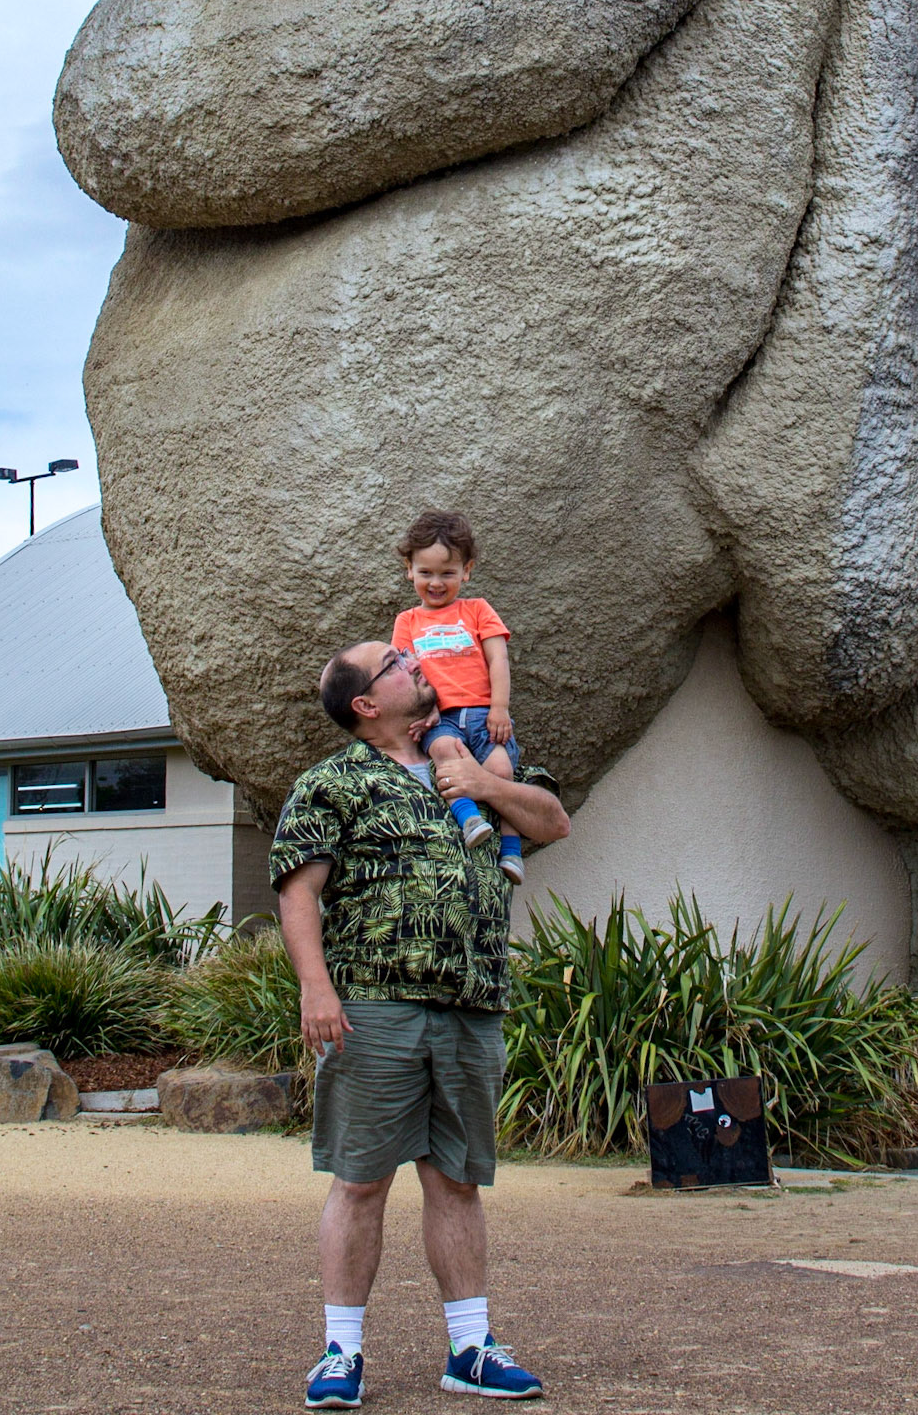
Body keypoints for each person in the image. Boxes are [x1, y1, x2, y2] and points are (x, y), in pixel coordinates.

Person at [271, 635, 571, 1408]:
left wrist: (477, 781)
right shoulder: (334, 782)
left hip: (472, 1006)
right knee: (361, 1180)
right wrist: (316, 989)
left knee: (457, 1180)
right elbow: (297, 893)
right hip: (375, 1005)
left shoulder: (470, 758)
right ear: (367, 704)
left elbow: (552, 822)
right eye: (394, 664)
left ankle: (470, 1347)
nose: (413, 663)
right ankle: (341, 1353)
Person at [392, 509, 525, 882]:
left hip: (485, 713)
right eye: (426, 573)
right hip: (442, 716)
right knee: (443, 754)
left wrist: (499, 707)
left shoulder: (477, 610)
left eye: (447, 573)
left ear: (466, 570)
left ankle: (512, 849)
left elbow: (498, 658)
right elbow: (406, 672)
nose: (436, 583)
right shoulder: (407, 621)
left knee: (501, 770)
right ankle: (469, 818)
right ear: (409, 569)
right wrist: (422, 712)